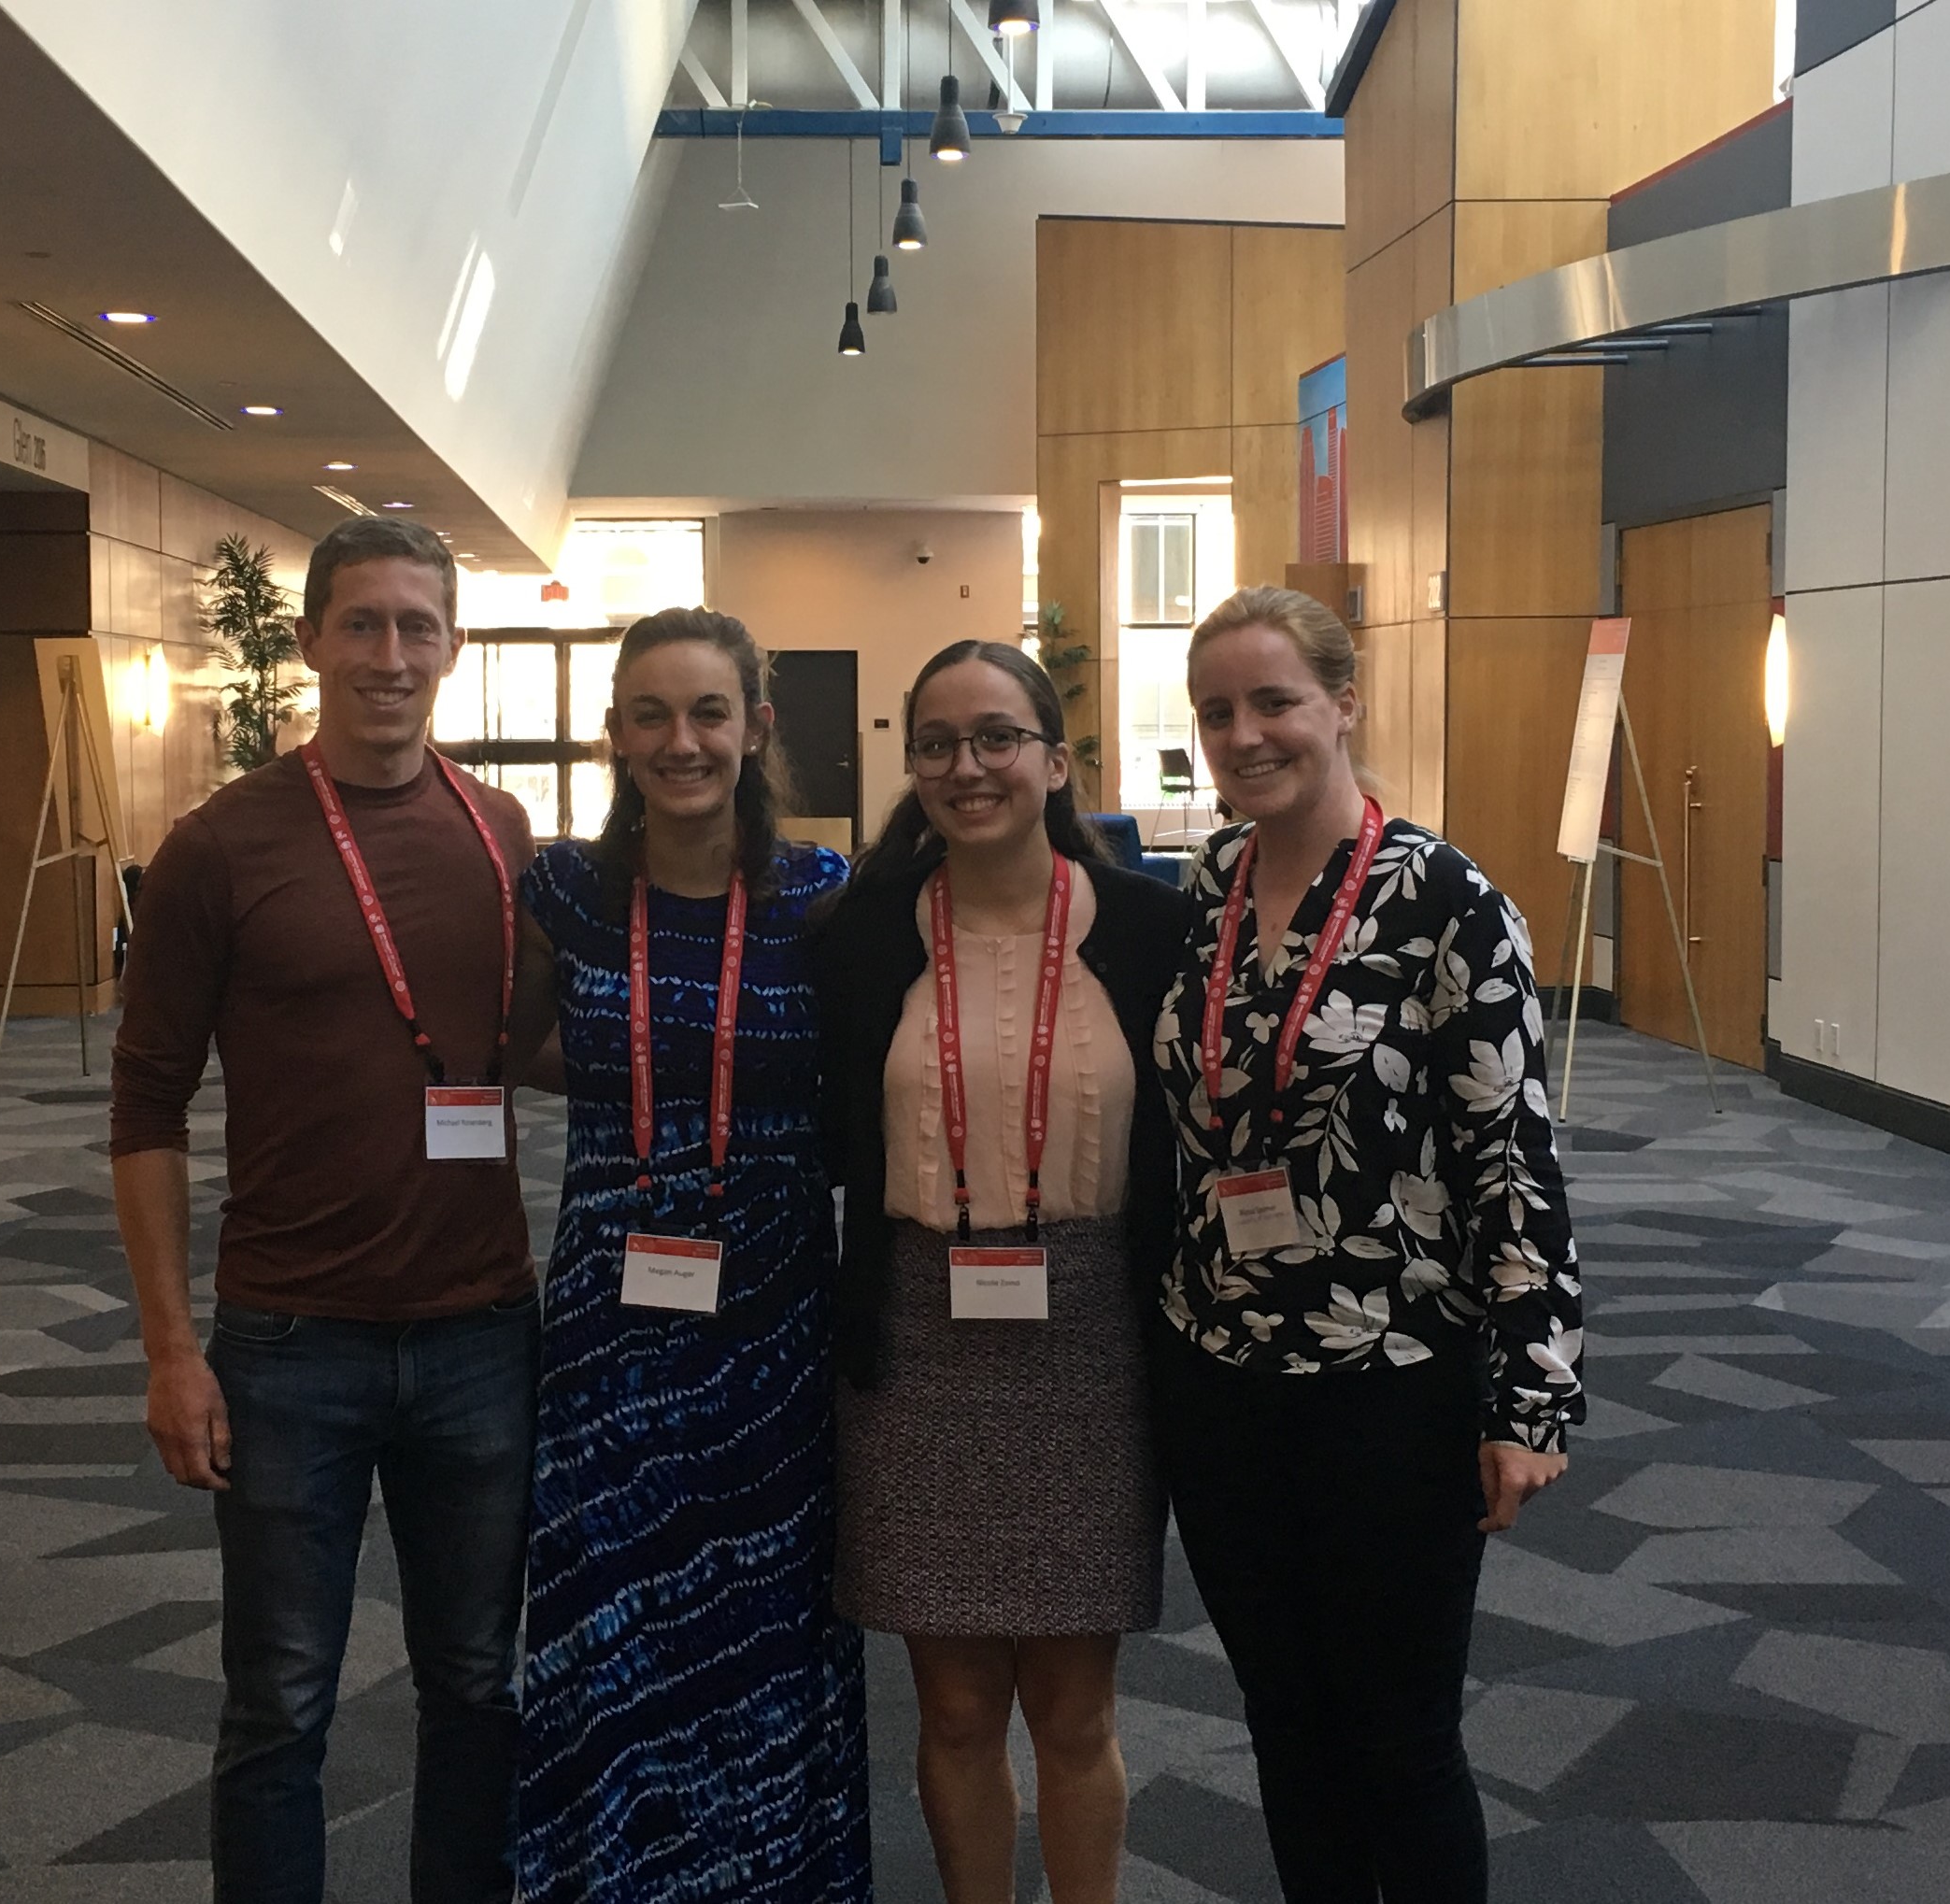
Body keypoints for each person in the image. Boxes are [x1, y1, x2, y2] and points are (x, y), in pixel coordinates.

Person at [111, 517, 549, 1904]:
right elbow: (145, 1111)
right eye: (361, 623)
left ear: (453, 649)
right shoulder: (219, 846)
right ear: (308, 642)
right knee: (280, 1705)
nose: (390, 655)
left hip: (484, 1331)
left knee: (478, 1685)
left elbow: (532, 1043)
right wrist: (171, 1347)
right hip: (291, 1343)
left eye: (418, 626)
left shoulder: (503, 833)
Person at [1150, 585, 1584, 1904]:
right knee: (1285, 1720)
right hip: (1221, 1372)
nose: (1245, 733)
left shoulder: (1447, 900)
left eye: (1275, 700)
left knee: (1396, 1737)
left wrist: (1533, 1399)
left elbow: (1513, 1160)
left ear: (1345, 701)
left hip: (1389, 1377)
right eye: (1217, 710)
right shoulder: (1211, 880)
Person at [816, 640, 1188, 1904]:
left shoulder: (1149, 930)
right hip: (919, 1335)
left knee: (1075, 1707)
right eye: (937, 742)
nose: (966, 766)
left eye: (996, 737)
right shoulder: (858, 934)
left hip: (1092, 1334)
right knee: (961, 1703)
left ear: (1054, 758)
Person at [513, 608, 871, 1900]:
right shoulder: (559, 892)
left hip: (773, 1313)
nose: (682, 741)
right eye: (651, 715)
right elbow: (513, 1045)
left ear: (757, 728)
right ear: (614, 734)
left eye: (709, 713)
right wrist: (639, 1108)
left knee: (763, 1616)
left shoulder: (824, 899)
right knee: (608, 1611)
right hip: (611, 1307)